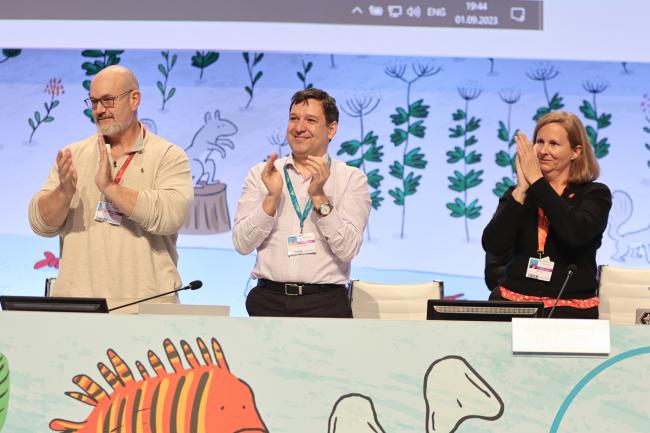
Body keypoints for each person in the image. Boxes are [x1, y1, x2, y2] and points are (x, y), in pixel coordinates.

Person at [28, 65, 193, 312]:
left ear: (134, 99)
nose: (99, 110)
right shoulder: (73, 155)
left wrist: (110, 188)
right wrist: (63, 192)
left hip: (146, 309)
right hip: (78, 308)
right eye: (94, 102)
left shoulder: (168, 155)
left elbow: (171, 214)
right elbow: (40, 223)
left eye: (108, 100)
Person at [233, 88, 371, 318]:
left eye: (310, 120)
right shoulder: (262, 174)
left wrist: (319, 197)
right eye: (294, 118)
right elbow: (241, 244)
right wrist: (271, 199)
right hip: (268, 301)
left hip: (325, 304)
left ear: (331, 129)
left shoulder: (351, 179)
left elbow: (348, 249)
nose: (299, 128)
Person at [482, 111, 612, 319]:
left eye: (553, 144)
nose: (543, 151)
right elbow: (494, 245)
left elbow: (575, 234)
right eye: (540, 141)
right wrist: (521, 190)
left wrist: (536, 180)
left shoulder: (595, 194)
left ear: (575, 152)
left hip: (570, 310)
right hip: (512, 304)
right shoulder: (519, 193)